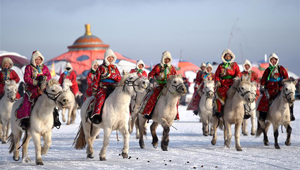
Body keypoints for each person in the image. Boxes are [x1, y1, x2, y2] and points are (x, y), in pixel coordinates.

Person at [16, 50, 61, 130]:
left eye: (39, 59)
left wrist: (44, 78)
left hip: (43, 89)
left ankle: (55, 118)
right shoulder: (28, 68)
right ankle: (25, 120)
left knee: (51, 101)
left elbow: (49, 76)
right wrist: (36, 82)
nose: (38, 61)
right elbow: (26, 78)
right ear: (33, 60)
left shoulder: (45, 67)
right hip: (31, 89)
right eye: (36, 59)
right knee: (27, 101)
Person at [139, 51, 178, 120]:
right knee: (153, 97)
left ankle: (175, 115)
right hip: (159, 86)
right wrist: (151, 79)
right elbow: (151, 74)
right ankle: (149, 113)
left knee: (175, 99)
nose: (166, 61)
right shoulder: (158, 67)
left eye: (168, 59)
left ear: (170, 60)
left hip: (169, 87)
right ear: (163, 59)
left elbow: (175, 77)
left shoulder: (172, 68)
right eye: (165, 59)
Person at [88, 49, 122, 124]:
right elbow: (96, 79)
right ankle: (97, 115)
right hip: (104, 87)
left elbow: (119, 78)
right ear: (106, 58)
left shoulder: (115, 68)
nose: (110, 59)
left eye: (112, 57)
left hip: (114, 87)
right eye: (109, 57)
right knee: (101, 98)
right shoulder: (101, 68)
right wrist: (95, 90)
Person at [257, 53, 293, 121]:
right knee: (264, 98)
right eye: (272, 59)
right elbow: (264, 78)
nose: (273, 61)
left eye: (274, 60)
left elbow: (286, 77)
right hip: (269, 89)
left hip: (279, 88)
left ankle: (290, 113)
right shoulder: (267, 70)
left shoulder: (280, 68)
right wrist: (262, 85)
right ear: (270, 61)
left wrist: (283, 81)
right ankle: (263, 115)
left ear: (277, 60)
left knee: (289, 97)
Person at [214, 49, 241, 118]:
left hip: (233, 83)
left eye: (229, 56)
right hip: (223, 84)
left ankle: (244, 112)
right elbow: (216, 75)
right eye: (226, 56)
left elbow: (238, 72)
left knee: (242, 94)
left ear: (231, 57)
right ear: (223, 57)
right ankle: (218, 111)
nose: (228, 58)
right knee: (218, 95)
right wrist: (217, 81)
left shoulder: (234, 65)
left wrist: (237, 78)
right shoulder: (220, 66)